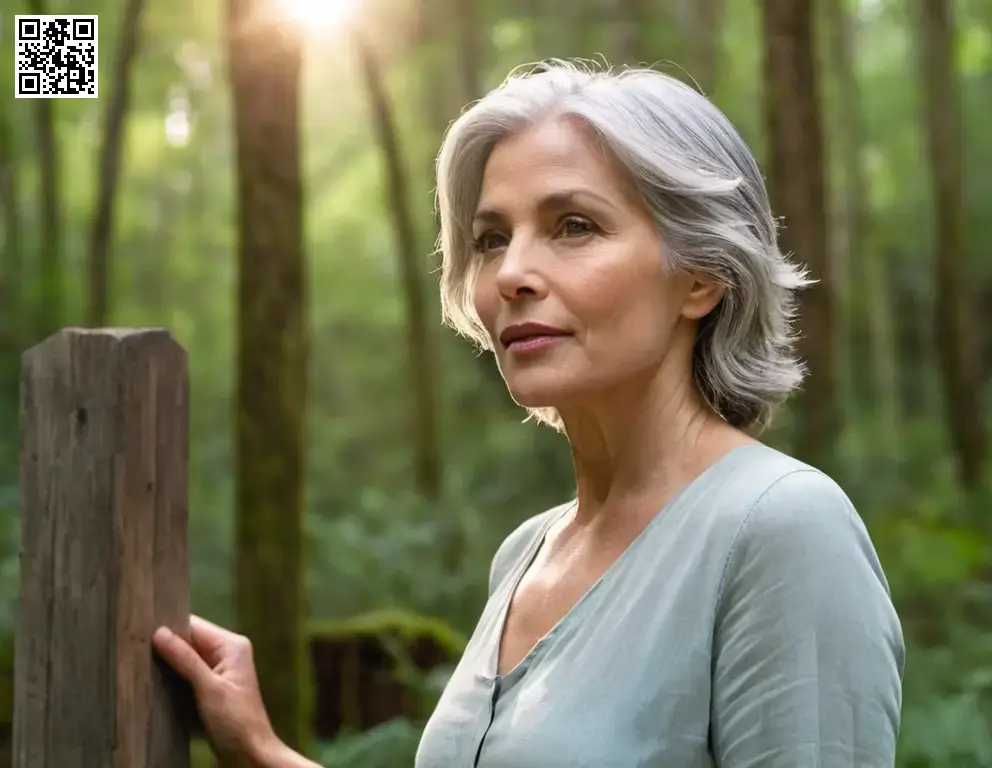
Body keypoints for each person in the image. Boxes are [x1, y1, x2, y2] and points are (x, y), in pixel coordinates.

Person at [153, 59, 905, 767]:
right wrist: (260, 751)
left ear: (701, 276)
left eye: (574, 226)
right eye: (490, 239)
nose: (511, 272)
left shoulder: (781, 531)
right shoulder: (525, 554)